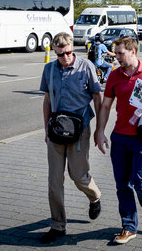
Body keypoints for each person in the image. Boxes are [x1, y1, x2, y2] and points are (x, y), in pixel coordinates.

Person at [95, 36, 142, 245]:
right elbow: (106, 106)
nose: (116, 56)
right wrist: (100, 132)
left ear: (132, 52)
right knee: (122, 184)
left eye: (120, 53)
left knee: (140, 181)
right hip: (120, 138)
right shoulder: (114, 75)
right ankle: (129, 226)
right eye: (116, 53)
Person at [40, 32, 104, 244]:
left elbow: (97, 96)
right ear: (55, 52)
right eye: (60, 55)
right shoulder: (49, 69)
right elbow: (47, 100)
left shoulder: (86, 67)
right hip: (56, 131)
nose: (65, 58)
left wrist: (99, 129)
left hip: (80, 130)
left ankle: (94, 196)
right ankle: (58, 226)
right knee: (54, 182)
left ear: (72, 48)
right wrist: (46, 129)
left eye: (68, 53)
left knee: (79, 176)